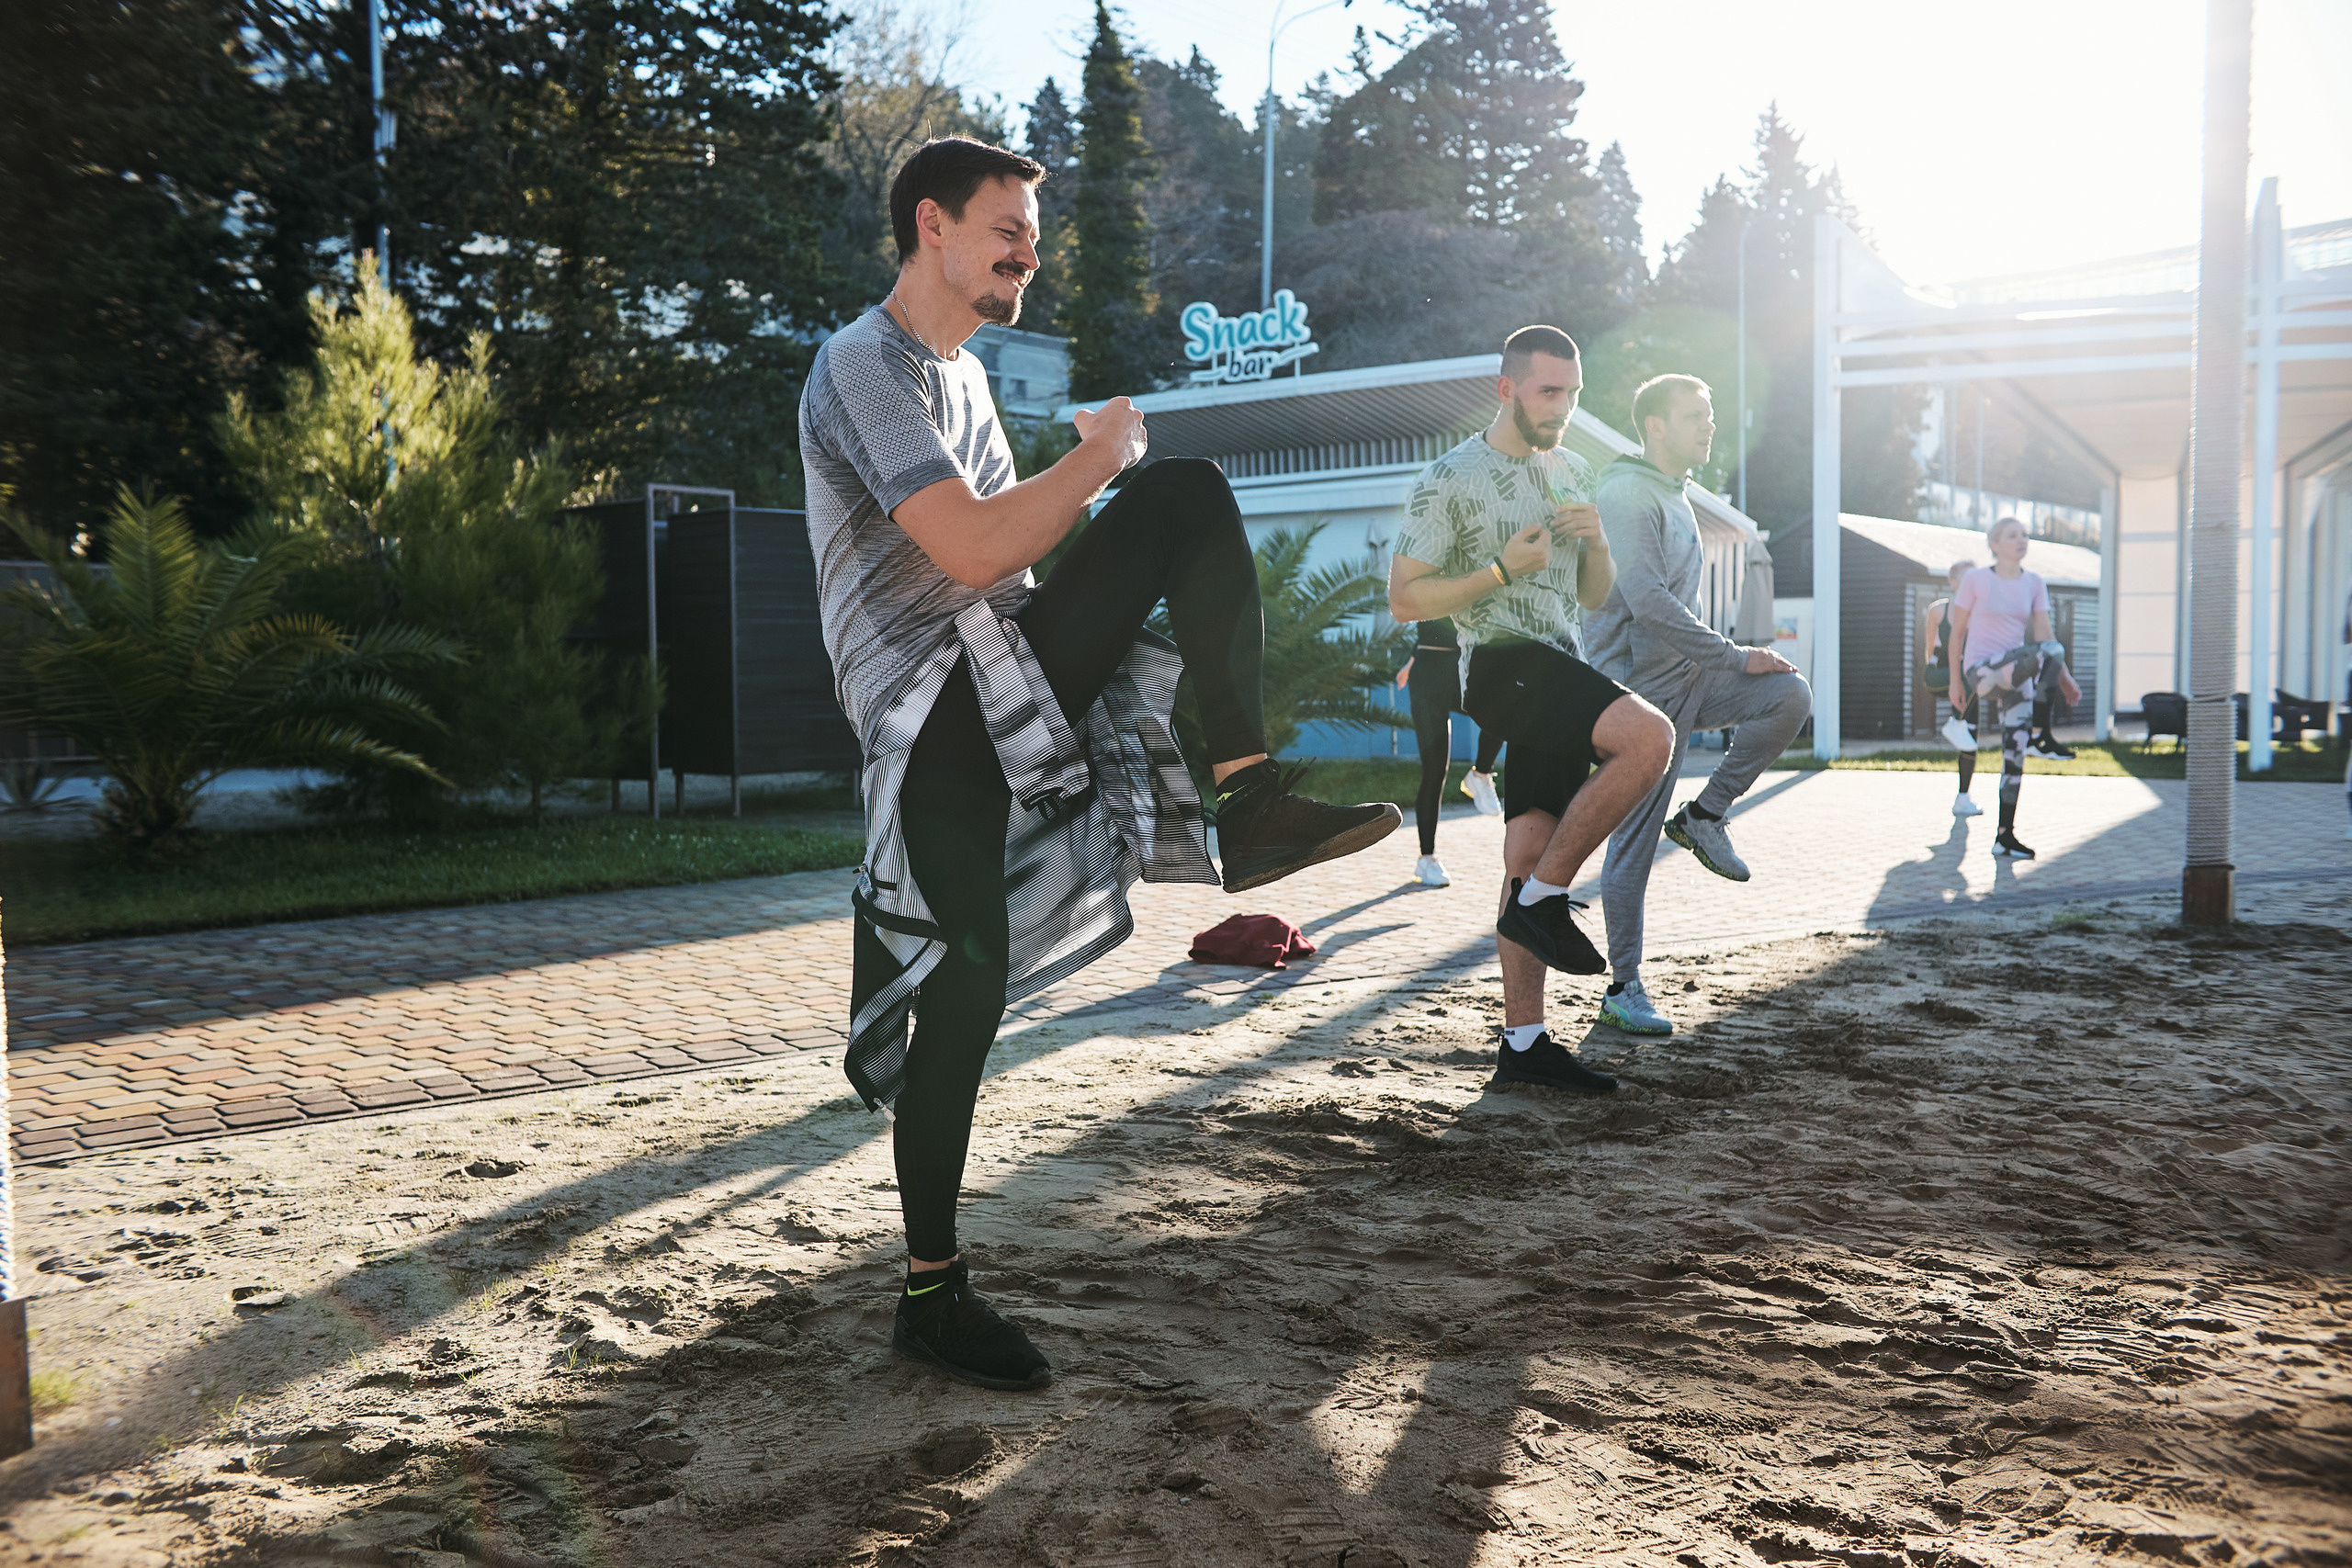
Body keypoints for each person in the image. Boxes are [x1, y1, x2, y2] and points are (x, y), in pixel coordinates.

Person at [800, 137, 1400, 1392]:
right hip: (925, 709)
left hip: (990, 695)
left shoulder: (959, 377)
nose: (1029, 253)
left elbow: (1012, 567)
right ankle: (1250, 800)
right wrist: (1099, 467)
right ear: (933, 227)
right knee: (1171, 488)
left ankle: (930, 1292)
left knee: (966, 992)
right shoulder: (863, 366)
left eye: (1034, 235)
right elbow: (970, 550)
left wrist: (1093, 554)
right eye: (1008, 229)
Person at [1388, 325, 1676, 1095]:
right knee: (1650, 738)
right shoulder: (1450, 477)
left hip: (1562, 663)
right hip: (1501, 664)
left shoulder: (1574, 469)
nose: (1564, 407)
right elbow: (1404, 595)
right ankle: (1548, 901)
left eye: (1574, 393)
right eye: (1550, 392)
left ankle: (1522, 1043)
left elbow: (1588, 597)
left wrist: (1600, 547)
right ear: (1507, 388)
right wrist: (1495, 569)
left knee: (1528, 847)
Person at [1589, 375, 1813, 1037]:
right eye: (1694, 416)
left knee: (1789, 694)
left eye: (1710, 415)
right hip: (1636, 698)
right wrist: (1737, 654)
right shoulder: (1627, 491)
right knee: (1629, 846)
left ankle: (1704, 816)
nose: (1709, 426)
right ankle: (1623, 987)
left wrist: (1732, 663)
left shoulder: (1676, 493)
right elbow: (1649, 602)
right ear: (1655, 425)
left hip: (1687, 680)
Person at [1946, 516, 2082, 861]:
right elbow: (1957, 633)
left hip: (2016, 679)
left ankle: (2004, 838)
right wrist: (1955, 682)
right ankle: (2042, 733)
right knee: (2052, 652)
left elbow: (2044, 637)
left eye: (2025, 535)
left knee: (2014, 757)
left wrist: (2065, 681)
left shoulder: (2035, 582)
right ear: (1994, 544)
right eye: (2012, 535)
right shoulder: (1976, 579)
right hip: (1982, 672)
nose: (2021, 540)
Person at [1395, 618, 1505, 887]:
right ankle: (1427, 859)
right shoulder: (1426, 577)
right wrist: (1411, 661)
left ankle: (1479, 775)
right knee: (1434, 772)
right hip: (1426, 679)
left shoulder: (1471, 576)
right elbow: (1422, 618)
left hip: (1458, 671)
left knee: (1502, 710)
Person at [1922, 558, 1986, 817]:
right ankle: (1954, 724)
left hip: (1969, 684)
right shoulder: (1938, 610)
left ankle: (1963, 797)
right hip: (1940, 676)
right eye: (1967, 577)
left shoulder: (1981, 612)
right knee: (1972, 671)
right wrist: (1941, 674)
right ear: (1953, 581)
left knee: (1970, 740)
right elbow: (1929, 649)